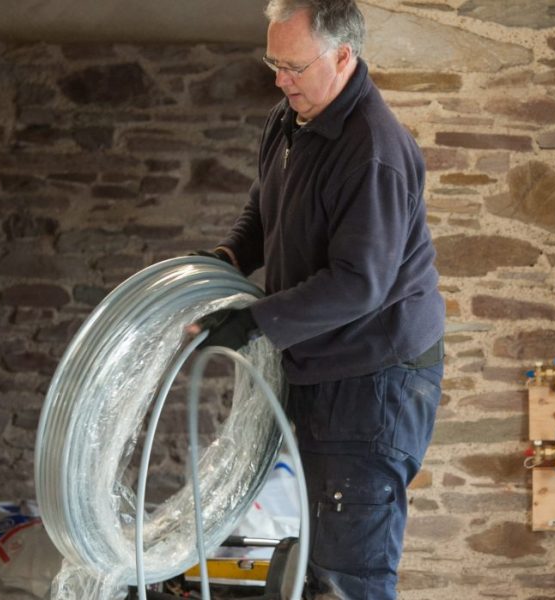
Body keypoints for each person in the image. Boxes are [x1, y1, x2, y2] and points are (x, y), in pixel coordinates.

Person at [187, 0, 445, 598]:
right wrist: (229, 256)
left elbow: (360, 282)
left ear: (344, 56)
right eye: (274, 63)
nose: (280, 80)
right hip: (326, 364)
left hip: (375, 379)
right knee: (314, 562)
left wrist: (254, 321)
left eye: (294, 67)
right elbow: (265, 204)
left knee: (349, 570)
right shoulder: (290, 119)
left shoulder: (372, 150)